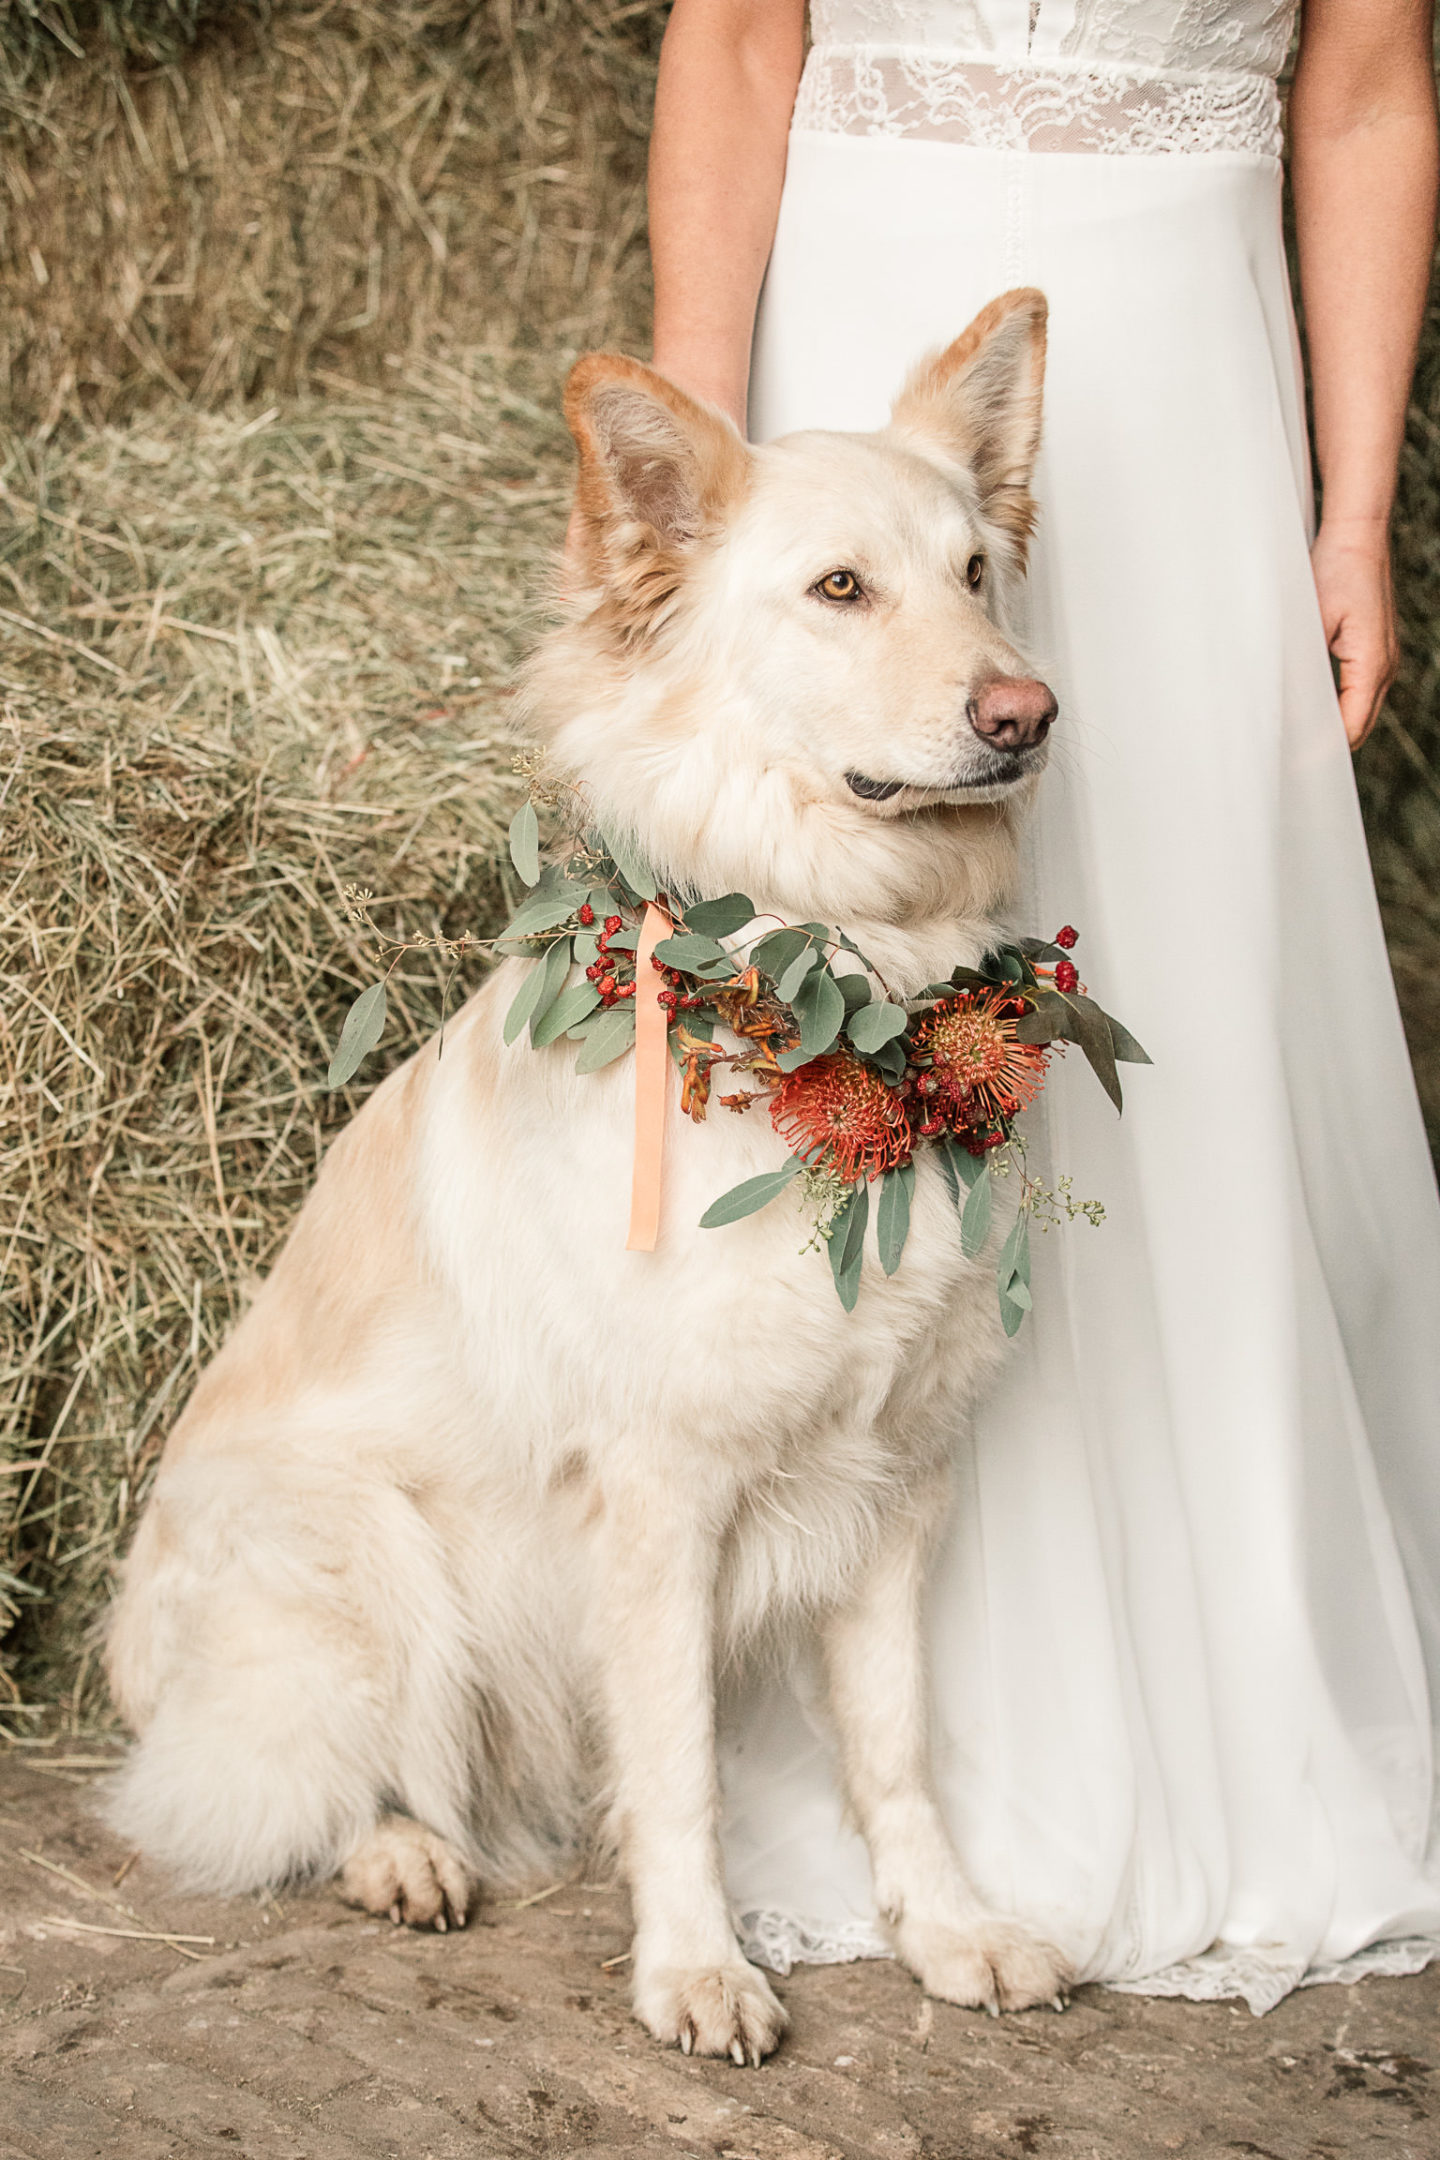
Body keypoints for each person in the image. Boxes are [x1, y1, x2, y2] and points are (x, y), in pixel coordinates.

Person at [644, 0, 1440, 2010]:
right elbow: (737, 38)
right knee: (859, 986)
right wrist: (702, 478)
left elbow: (1363, 94)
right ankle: (867, 1746)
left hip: (1183, 351)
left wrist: (1354, 514)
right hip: (874, 297)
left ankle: (1238, 1677)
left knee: (1180, 950)